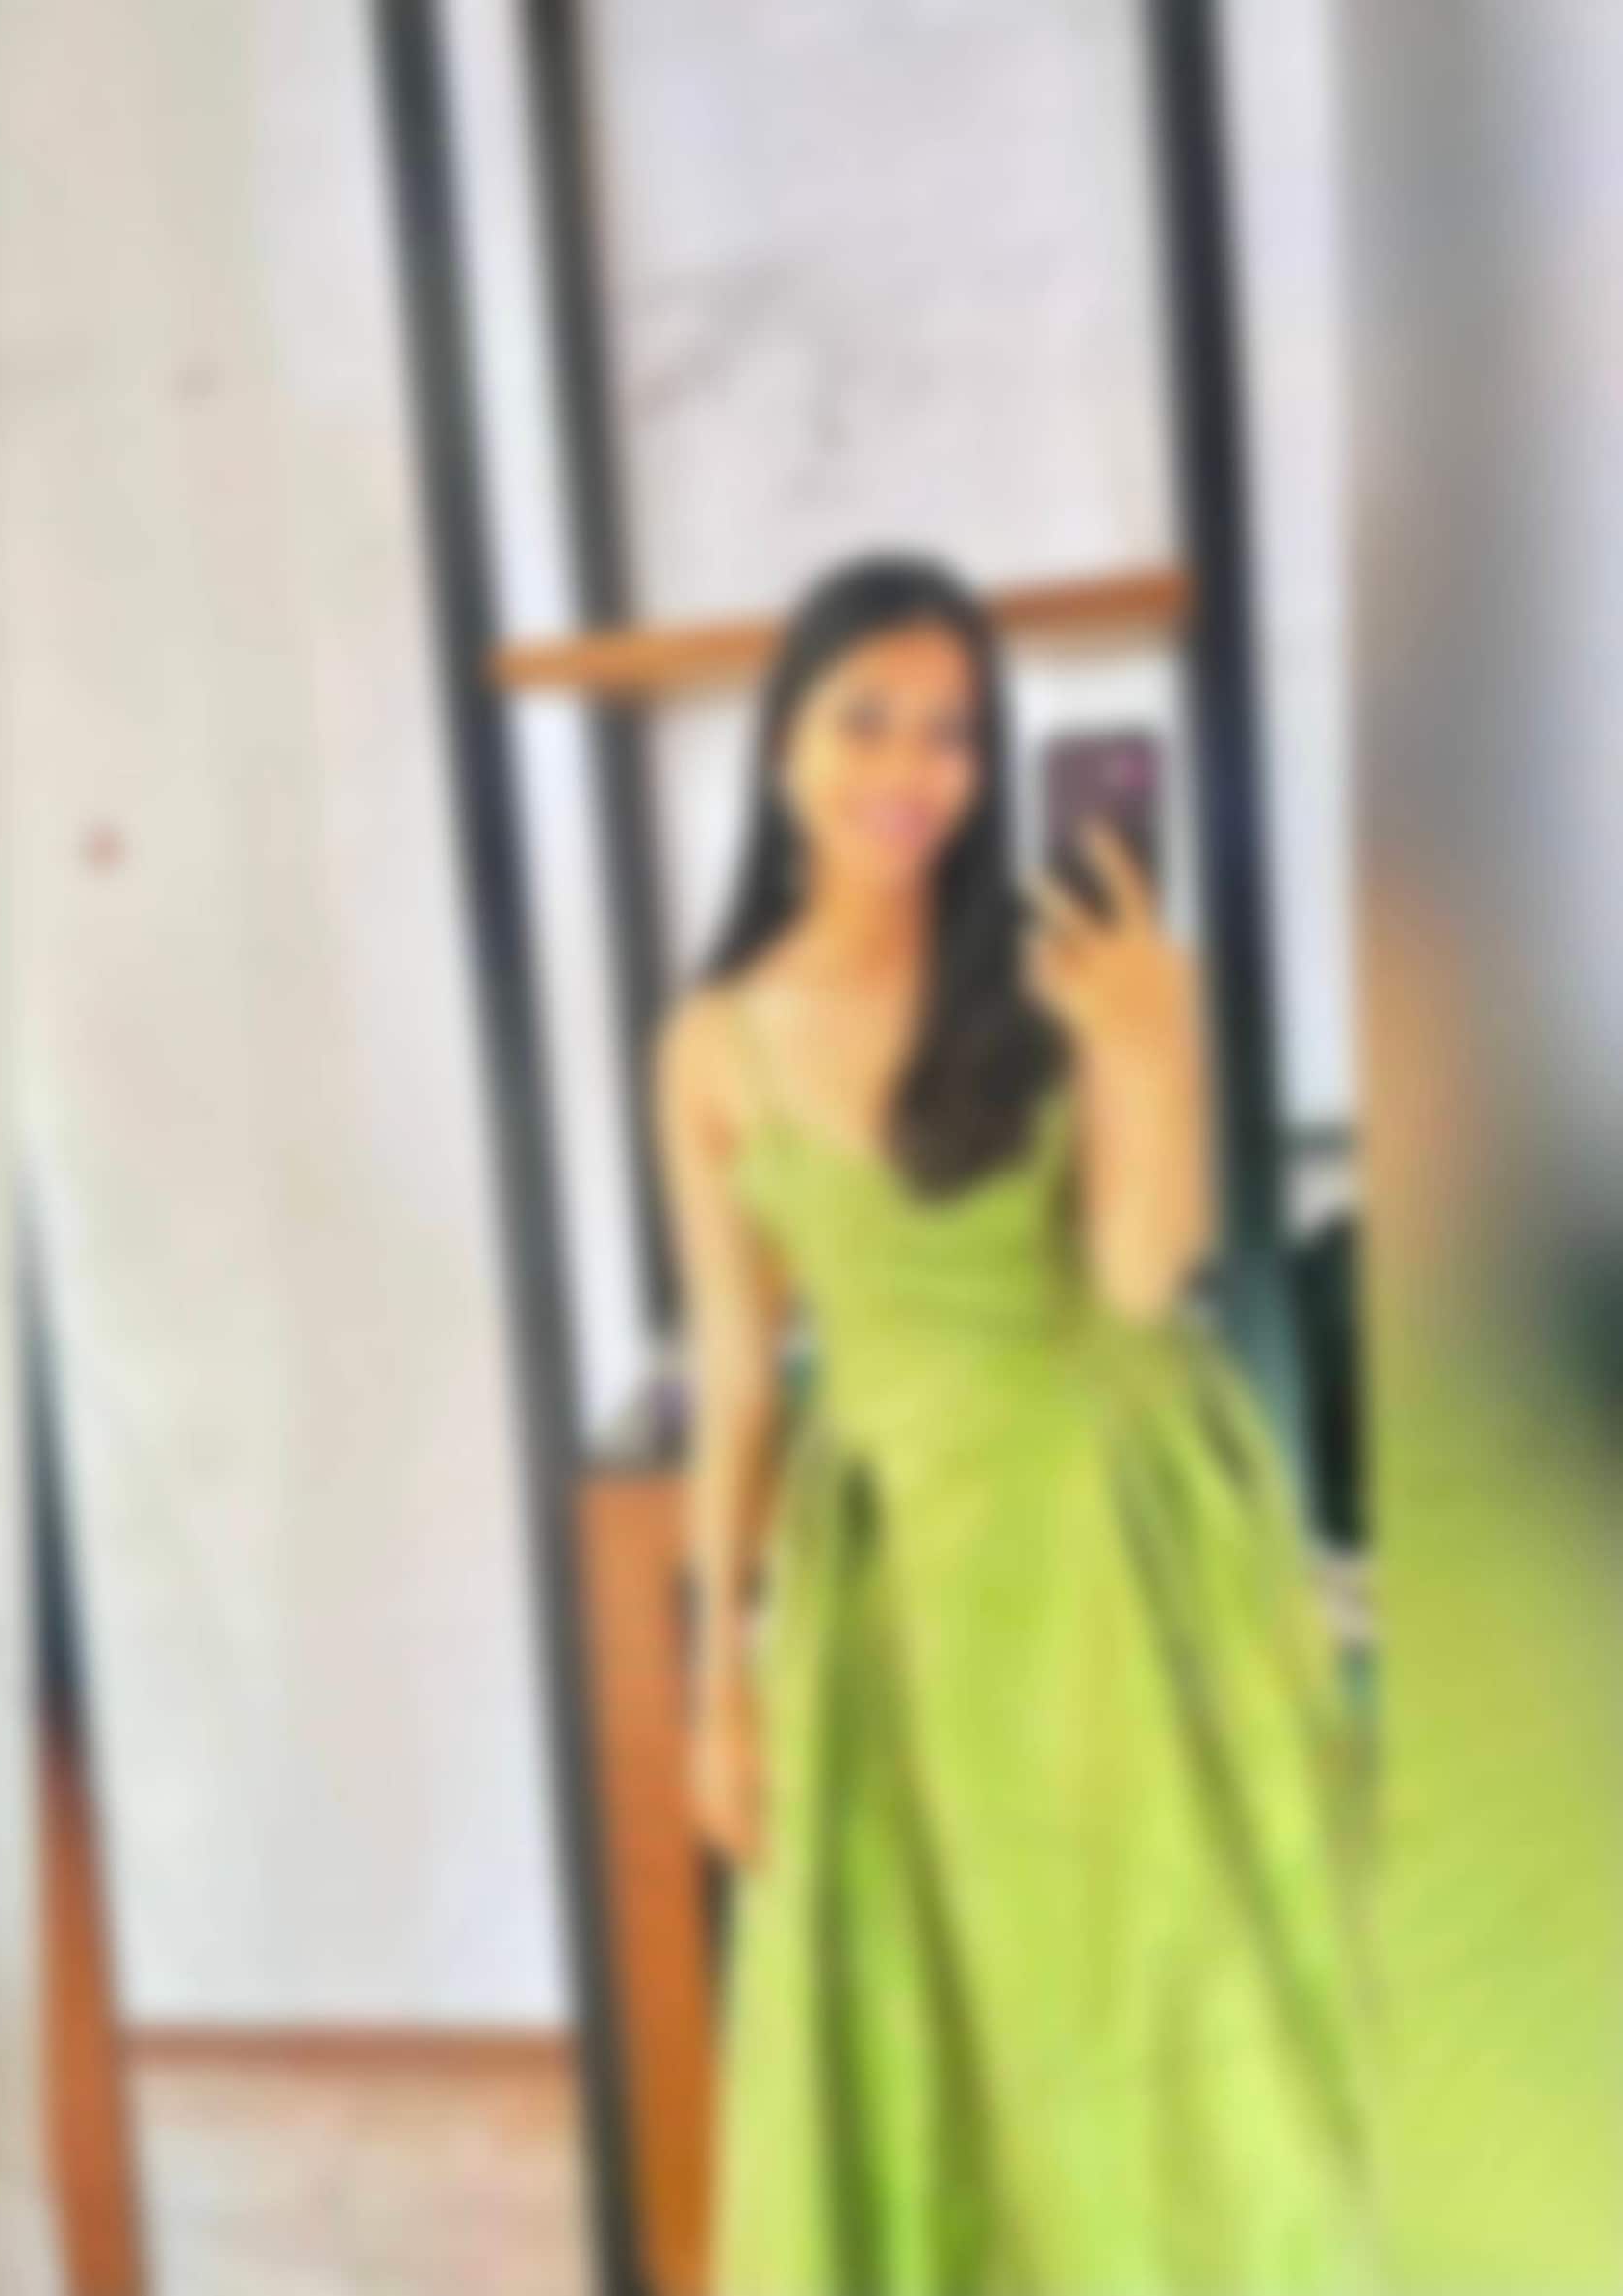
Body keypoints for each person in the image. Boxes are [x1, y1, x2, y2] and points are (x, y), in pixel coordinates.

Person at [654, 555, 1374, 2294]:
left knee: (1165, 1981)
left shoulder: (1059, 965)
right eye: (868, 721)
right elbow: (739, 1371)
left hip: (1112, 1526)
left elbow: (1137, 1276)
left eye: (953, 733)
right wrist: (717, 1677)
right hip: (896, 1572)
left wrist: (1152, 1046)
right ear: (782, 743)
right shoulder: (714, 1045)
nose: (912, 769)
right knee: (939, 2011)